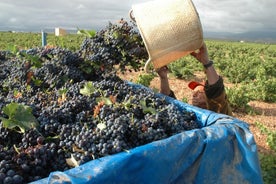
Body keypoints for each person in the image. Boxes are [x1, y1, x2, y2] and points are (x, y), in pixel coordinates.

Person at [156, 42, 232, 116]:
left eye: (199, 92)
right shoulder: (190, 116)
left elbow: (216, 91)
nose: (194, 95)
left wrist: (206, 62)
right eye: (194, 93)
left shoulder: (220, 112)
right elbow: (168, 101)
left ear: (209, 97)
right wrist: (163, 78)